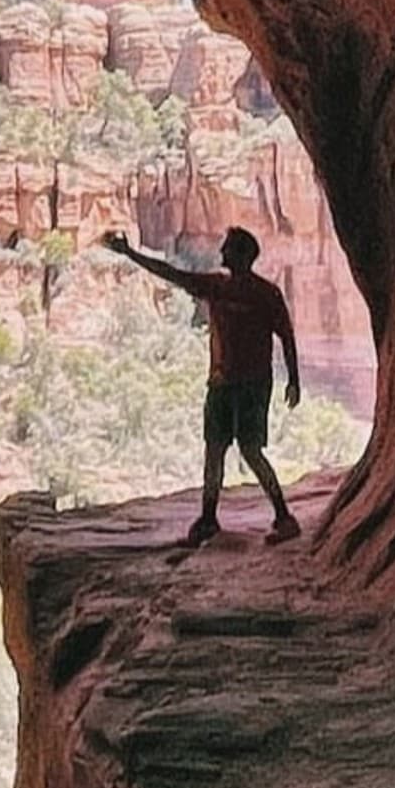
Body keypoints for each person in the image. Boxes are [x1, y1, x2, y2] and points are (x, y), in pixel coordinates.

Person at [102, 224, 303, 546]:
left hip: (251, 385)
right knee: (214, 450)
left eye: (228, 248)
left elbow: (287, 336)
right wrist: (129, 253)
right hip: (222, 383)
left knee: (250, 451)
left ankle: (284, 517)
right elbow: (170, 273)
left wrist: (294, 379)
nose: (221, 252)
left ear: (241, 255)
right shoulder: (220, 287)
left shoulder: (263, 294)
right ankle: (209, 519)